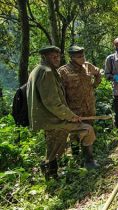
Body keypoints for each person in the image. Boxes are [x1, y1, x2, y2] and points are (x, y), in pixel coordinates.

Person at [27, 46, 98, 180]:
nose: (57, 59)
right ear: (44, 57)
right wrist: (71, 116)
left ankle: (52, 174)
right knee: (84, 132)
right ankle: (52, 175)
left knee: (54, 147)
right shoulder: (47, 72)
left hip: (51, 118)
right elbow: (52, 102)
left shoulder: (39, 70)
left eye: (58, 56)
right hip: (53, 119)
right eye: (53, 57)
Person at [58, 46, 102, 156]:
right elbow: (60, 93)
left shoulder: (87, 66)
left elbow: (95, 84)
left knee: (88, 132)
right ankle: (76, 156)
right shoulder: (63, 71)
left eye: (83, 55)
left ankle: (88, 157)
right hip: (74, 111)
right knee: (74, 135)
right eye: (79, 57)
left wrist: (97, 75)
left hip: (89, 108)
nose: (82, 58)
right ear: (72, 58)